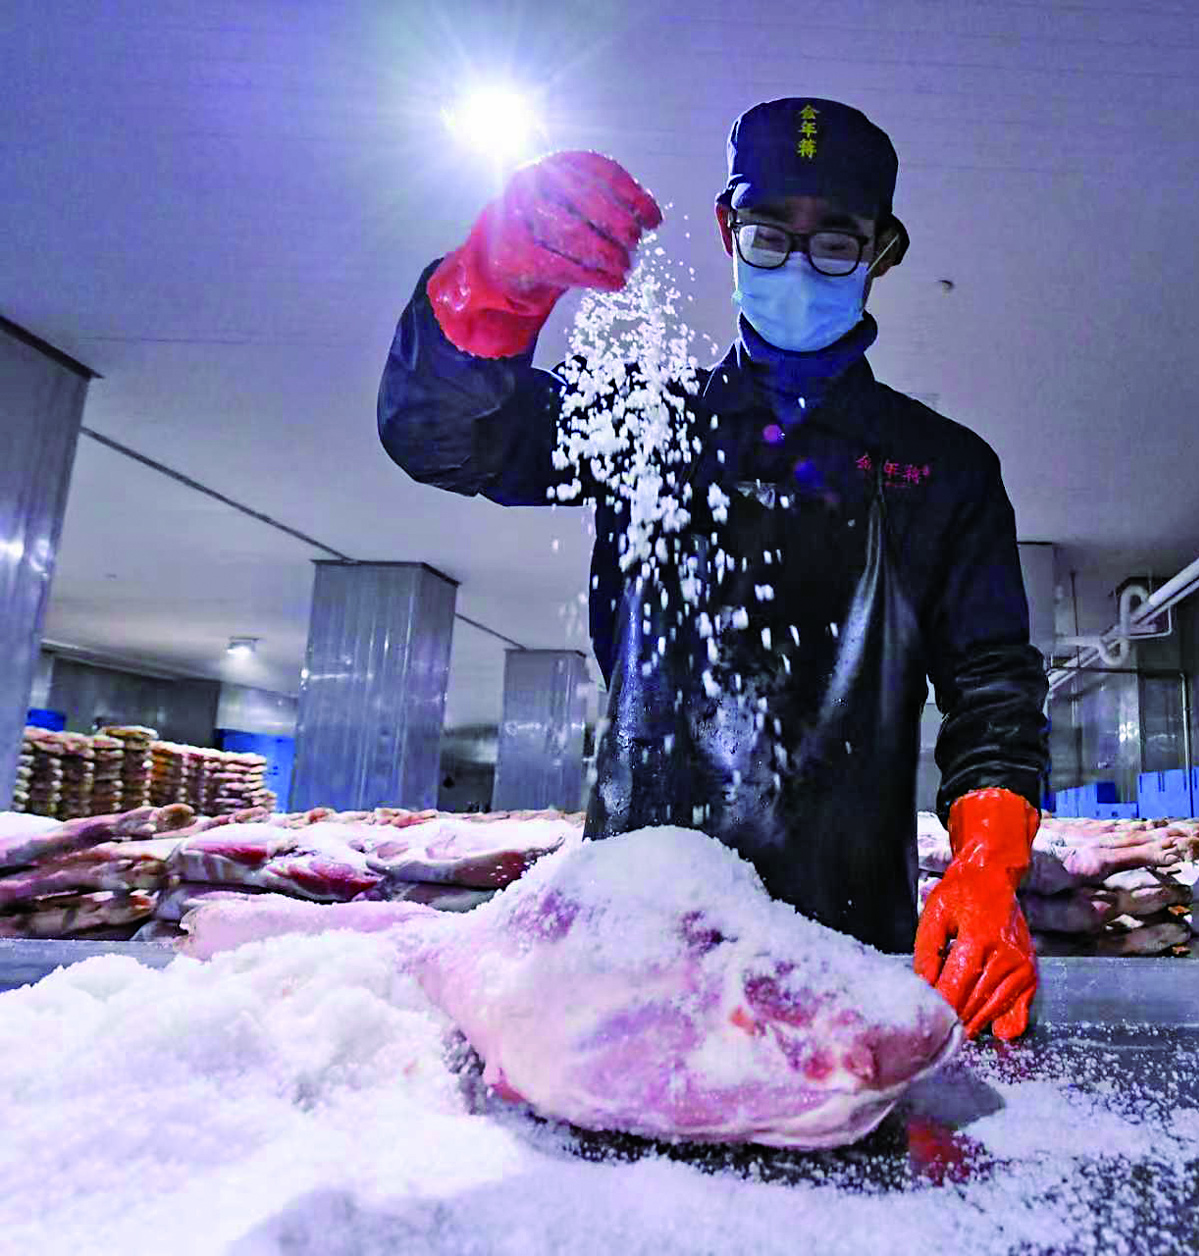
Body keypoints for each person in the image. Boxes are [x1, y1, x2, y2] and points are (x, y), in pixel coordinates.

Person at [378, 99, 1049, 1040]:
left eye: (838, 243)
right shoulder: (646, 425)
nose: (800, 266)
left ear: (883, 252)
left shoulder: (944, 469)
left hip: (850, 940)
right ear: (729, 231)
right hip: (633, 932)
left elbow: (992, 691)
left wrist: (987, 863)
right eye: (770, 235)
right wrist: (489, 285)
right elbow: (442, 438)